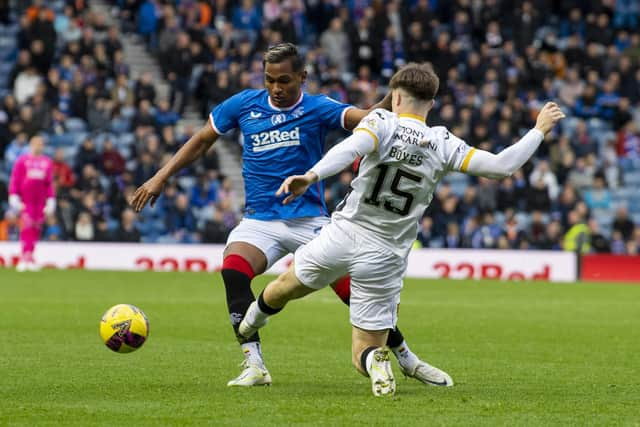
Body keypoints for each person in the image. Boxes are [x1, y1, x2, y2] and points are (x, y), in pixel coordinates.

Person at [238, 63, 565, 396]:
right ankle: (377, 361)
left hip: (343, 234)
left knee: (283, 287)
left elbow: (349, 149)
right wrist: (539, 129)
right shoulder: (443, 142)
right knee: (361, 351)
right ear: (431, 104)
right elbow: (502, 166)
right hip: (386, 254)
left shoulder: (381, 122)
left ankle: (251, 323)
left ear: (395, 97)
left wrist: (311, 176)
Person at [131, 43, 437, 387]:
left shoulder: (318, 108)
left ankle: (406, 356)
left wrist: (395, 92)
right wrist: (159, 178)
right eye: (270, 80)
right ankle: (254, 364)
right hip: (260, 220)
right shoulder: (244, 104)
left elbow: (369, 117)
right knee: (233, 270)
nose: (276, 88)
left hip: (310, 221)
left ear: (302, 78)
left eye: (285, 81)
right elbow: (202, 140)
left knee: (354, 292)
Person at [8, 135, 55, 271]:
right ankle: (24, 256)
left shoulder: (47, 162)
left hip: (40, 200)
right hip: (26, 200)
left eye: (41, 144)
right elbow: (15, 179)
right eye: (36, 144)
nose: (38, 147)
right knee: (27, 227)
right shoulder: (22, 161)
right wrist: (13, 196)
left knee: (36, 228)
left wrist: (51, 199)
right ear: (30, 145)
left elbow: (49, 183)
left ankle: (31, 255)